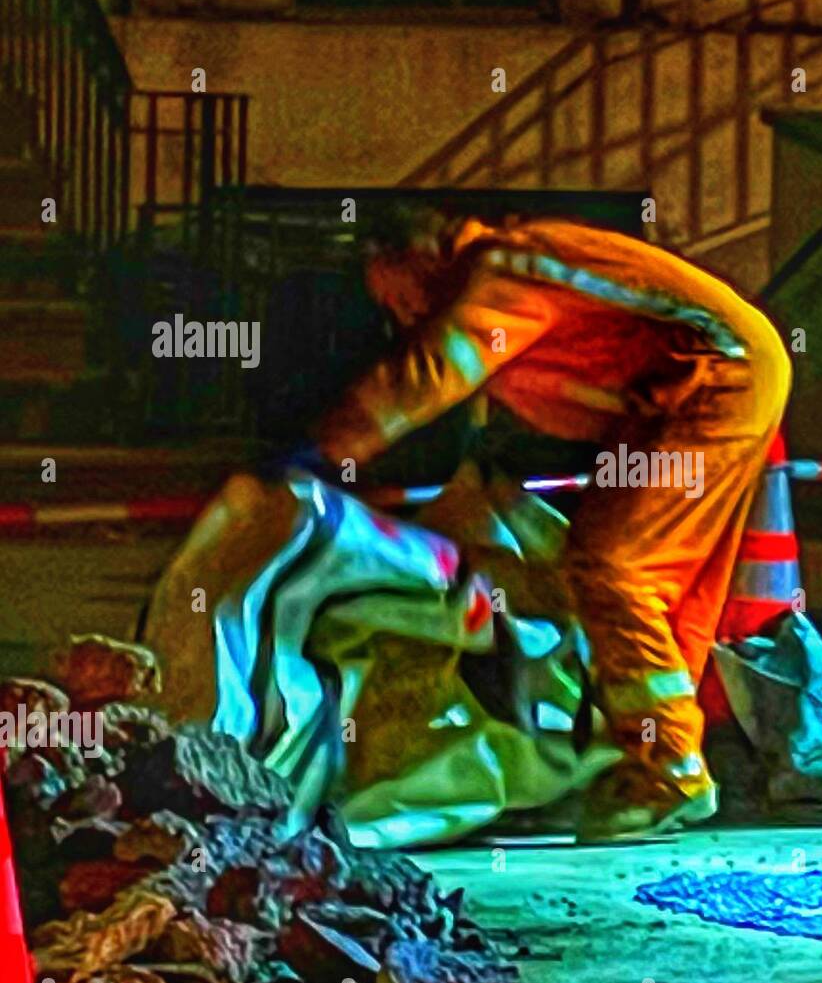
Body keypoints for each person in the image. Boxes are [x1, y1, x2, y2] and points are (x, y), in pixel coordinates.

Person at [305, 212, 791, 842]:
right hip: (691, 388)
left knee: (612, 567)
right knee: (647, 585)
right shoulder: (510, 274)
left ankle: (671, 771)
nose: (400, 316)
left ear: (422, 255)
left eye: (395, 294)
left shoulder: (503, 271)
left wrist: (321, 451)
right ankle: (648, 753)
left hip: (715, 380)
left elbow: (425, 378)